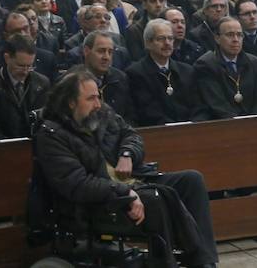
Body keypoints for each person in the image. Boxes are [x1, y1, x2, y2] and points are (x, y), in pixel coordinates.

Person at [34, 69, 218, 268]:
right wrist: (124, 191)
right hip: (100, 201)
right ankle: (173, 262)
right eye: (91, 99)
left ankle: (203, 262)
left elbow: (133, 136)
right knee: (157, 197)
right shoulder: (52, 135)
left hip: (133, 180)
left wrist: (127, 154)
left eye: (98, 97)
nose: (98, 104)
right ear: (71, 103)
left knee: (192, 180)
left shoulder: (102, 114)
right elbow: (77, 184)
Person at [125, 19, 205, 126]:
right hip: (159, 133)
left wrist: (193, 123)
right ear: (148, 43)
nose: (167, 43)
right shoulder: (136, 73)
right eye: (161, 39)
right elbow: (147, 111)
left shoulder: (187, 71)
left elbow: (198, 106)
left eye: (170, 38)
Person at [194, 17, 257, 119]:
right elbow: (217, 103)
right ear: (217, 38)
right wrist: (239, 124)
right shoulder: (206, 64)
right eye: (230, 35)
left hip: (255, 124)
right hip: (224, 125)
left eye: (239, 35)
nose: (236, 40)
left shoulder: (254, 62)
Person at [0, 34, 50, 141]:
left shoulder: (41, 83)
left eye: (30, 66)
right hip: (3, 146)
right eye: (21, 66)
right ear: (7, 58)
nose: (25, 71)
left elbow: (44, 121)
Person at [83, 31, 135, 124]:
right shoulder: (73, 81)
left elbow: (130, 117)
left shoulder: (120, 79)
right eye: (101, 51)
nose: (106, 57)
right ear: (87, 51)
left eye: (110, 52)